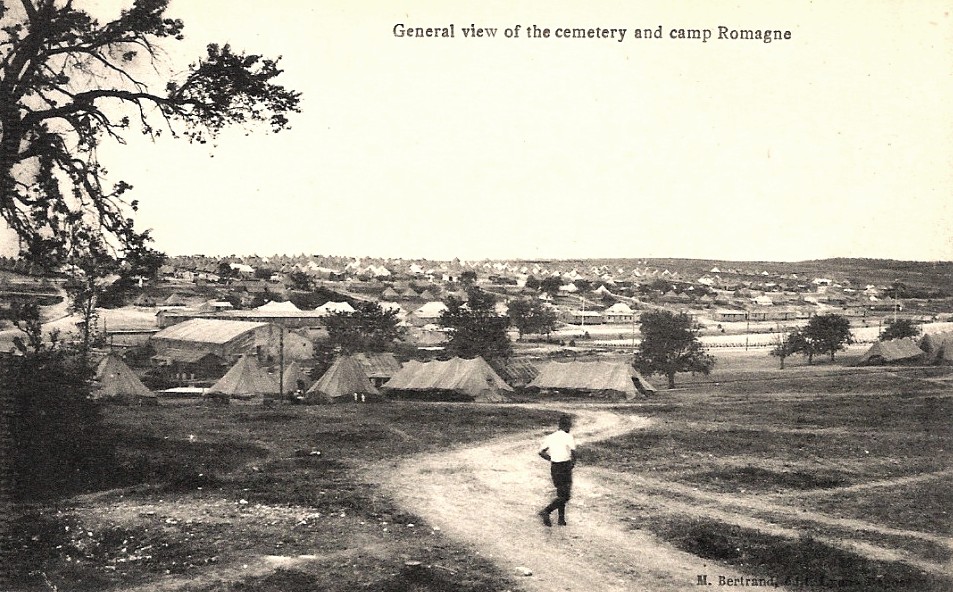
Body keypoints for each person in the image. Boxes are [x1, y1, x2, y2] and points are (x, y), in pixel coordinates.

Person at [538, 414, 576, 527]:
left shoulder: (551, 437)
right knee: (566, 495)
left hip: (554, 466)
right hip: (565, 466)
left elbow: (541, 452)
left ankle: (561, 519)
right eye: (569, 426)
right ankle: (546, 511)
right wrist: (572, 464)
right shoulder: (568, 436)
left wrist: (551, 458)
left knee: (560, 492)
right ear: (566, 426)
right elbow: (574, 453)